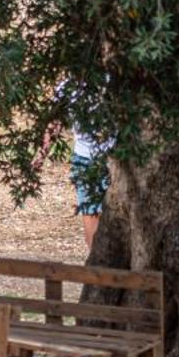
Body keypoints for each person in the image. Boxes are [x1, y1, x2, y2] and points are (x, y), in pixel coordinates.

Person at [56, 78, 111, 249]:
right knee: (90, 219)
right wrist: (41, 154)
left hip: (114, 160)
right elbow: (55, 120)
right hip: (84, 159)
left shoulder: (115, 81)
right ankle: (96, 266)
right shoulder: (66, 86)